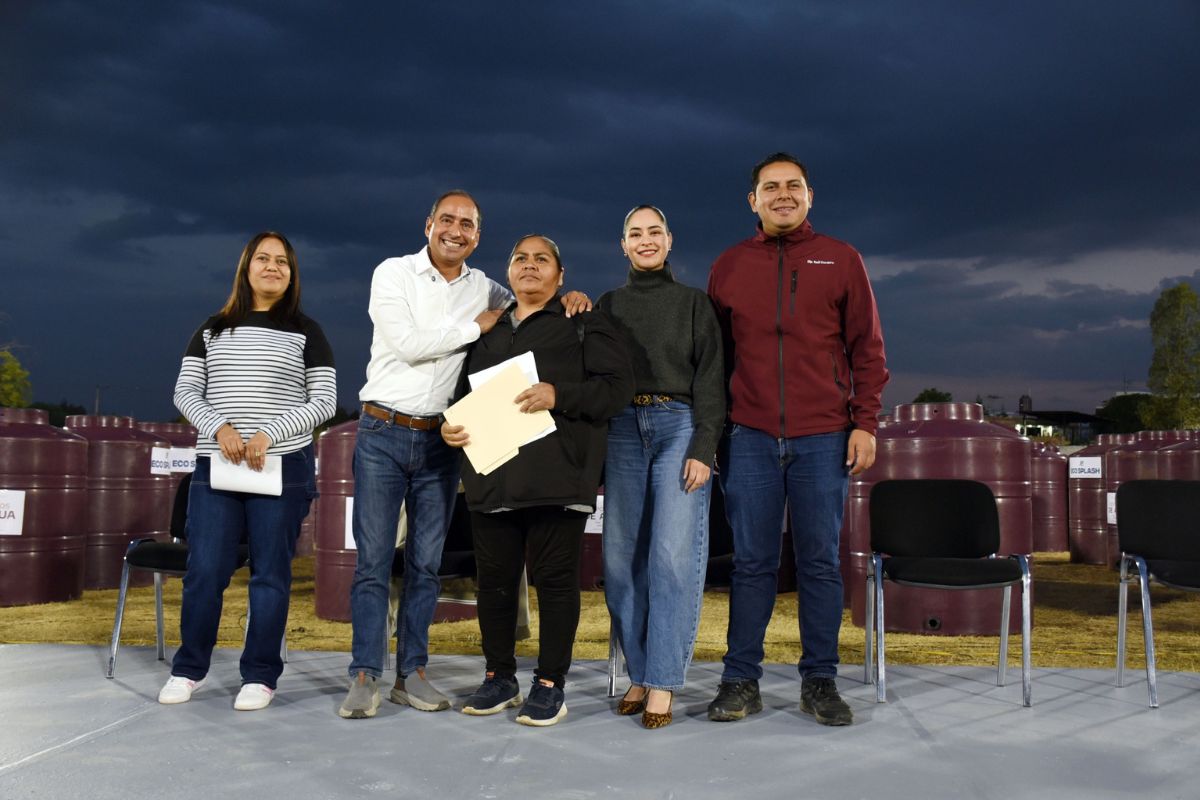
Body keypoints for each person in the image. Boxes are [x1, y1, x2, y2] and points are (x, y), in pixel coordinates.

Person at [339, 195, 591, 720]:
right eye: (447, 221)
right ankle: (365, 674)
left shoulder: (487, 288)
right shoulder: (393, 273)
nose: (456, 231)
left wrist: (573, 298)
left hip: (443, 441)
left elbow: (529, 297)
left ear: (478, 236)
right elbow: (408, 344)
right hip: (384, 428)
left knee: (427, 565)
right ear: (428, 224)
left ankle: (413, 674)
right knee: (373, 561)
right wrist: (475, 327)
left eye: (468, 225)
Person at [706, 153, 889, 727]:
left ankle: (821, 680)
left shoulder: (840, 259)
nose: (782, 195)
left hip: (823, 437)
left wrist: (865, 421)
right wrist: (717, 432)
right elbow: (714, 360)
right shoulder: (729, 266)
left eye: (793, 186)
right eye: (770, 187)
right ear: (752, 200)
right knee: (753, 564)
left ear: (810, 195)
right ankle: (740, 680)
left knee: (818, 563)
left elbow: (868, 349)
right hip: (751, 436)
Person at [442, 235, 633, 727]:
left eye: (541, 259)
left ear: (561, 275)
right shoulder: (485, 332)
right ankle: (499, 676)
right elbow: (458, 394)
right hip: (493, 479)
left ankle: (550, 684)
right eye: (520, 259)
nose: (529, 266)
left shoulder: (583, 323)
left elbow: (616, 391)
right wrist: (450, 425)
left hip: (557, 478)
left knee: (554, 584)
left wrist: (558, 393)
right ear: (508, 273)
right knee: (496, 585)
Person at [160, 230, 336, 711]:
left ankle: (260, 675)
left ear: (292, 274)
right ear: (247, 267)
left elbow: (324, 400)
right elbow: (185, 393)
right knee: (205, 571)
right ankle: (188, 668)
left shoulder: (307, 331)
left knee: (270, 575)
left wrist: (268, 435)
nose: (273, 267)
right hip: (218, 468)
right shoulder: (212, 328)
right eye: (264, 258)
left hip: (282, 467)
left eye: (283, 261)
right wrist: (220, 427)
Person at [598, 205, 725, 729]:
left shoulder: (694, 304)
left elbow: (712, 379)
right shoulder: (608, 305)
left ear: (669, 241)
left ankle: (664, 682)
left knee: (672, 558)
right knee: (621, 560)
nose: (645, 240)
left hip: (678, 426)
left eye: (654, 232)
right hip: (623, 427)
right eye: (635, 233)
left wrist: (704, 444)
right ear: (623, 245)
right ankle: (640, 670)